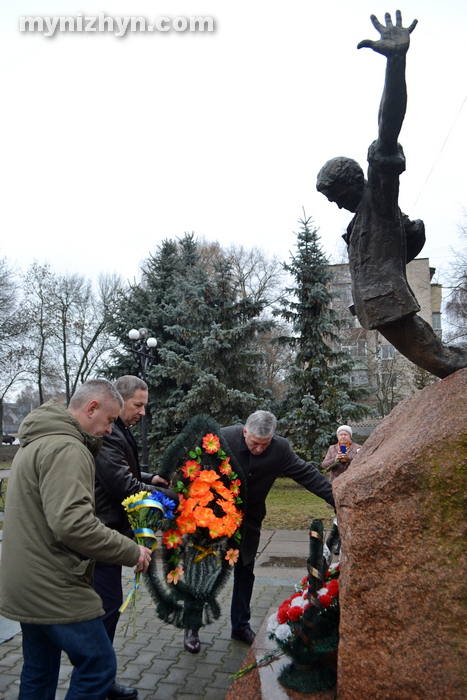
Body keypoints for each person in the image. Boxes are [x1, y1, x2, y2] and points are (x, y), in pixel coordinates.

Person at [316, 11, 467, 380]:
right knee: (444, 358)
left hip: (390, 305)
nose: (336, 203)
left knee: (445, 362)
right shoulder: (363, 221)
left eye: (337, 193)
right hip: (380, 307)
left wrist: (396, 61)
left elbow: (388, 123)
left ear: (356, 180)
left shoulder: (378, 201)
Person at [0, 379, 153, 700]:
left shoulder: (38, 439)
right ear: (91, 408)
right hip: (52, 583)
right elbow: (72, 524)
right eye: (110, 420)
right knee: (98, 664)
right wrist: (131, 551)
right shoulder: (68, 448)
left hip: (24, 581)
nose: (111, 430)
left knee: (38, 671)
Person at [183, 410, 335, 652]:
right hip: (212, 518)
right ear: (245, 431)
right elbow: (193, 471)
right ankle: (192, 625)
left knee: (245, 571)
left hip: (249, 521)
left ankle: (240, 626)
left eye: (264, 445)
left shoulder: (280, 449)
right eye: (254, 443)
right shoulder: (221, 439)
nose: (259, 450)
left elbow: (306, 474)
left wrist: (337, 498)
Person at [93, 375, 178, 700]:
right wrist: (170, 499)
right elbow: (123, 486)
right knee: (107, 608)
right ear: (120, 399)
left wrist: (149, 476)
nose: (143, 412)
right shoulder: (108, 431)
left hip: (112, 533)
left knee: (110, 607)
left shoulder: (118, 430)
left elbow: (125, 471)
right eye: (138, 405)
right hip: (104, 534)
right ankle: (96, 679)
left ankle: (101, 677)